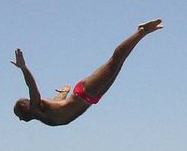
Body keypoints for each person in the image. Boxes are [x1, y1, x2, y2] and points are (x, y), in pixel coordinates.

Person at [12, 19, 163, 127]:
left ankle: (141, 31)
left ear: (26, 107)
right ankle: (141, 33)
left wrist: (24, 69)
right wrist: (64, 91)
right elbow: (58, 100)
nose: (19, 119)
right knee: (118, 64)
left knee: (114, 62)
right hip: (91, 98)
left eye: (18, 115)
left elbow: (33, 88)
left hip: (84, 93)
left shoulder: (36, 109)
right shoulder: (44, 112)